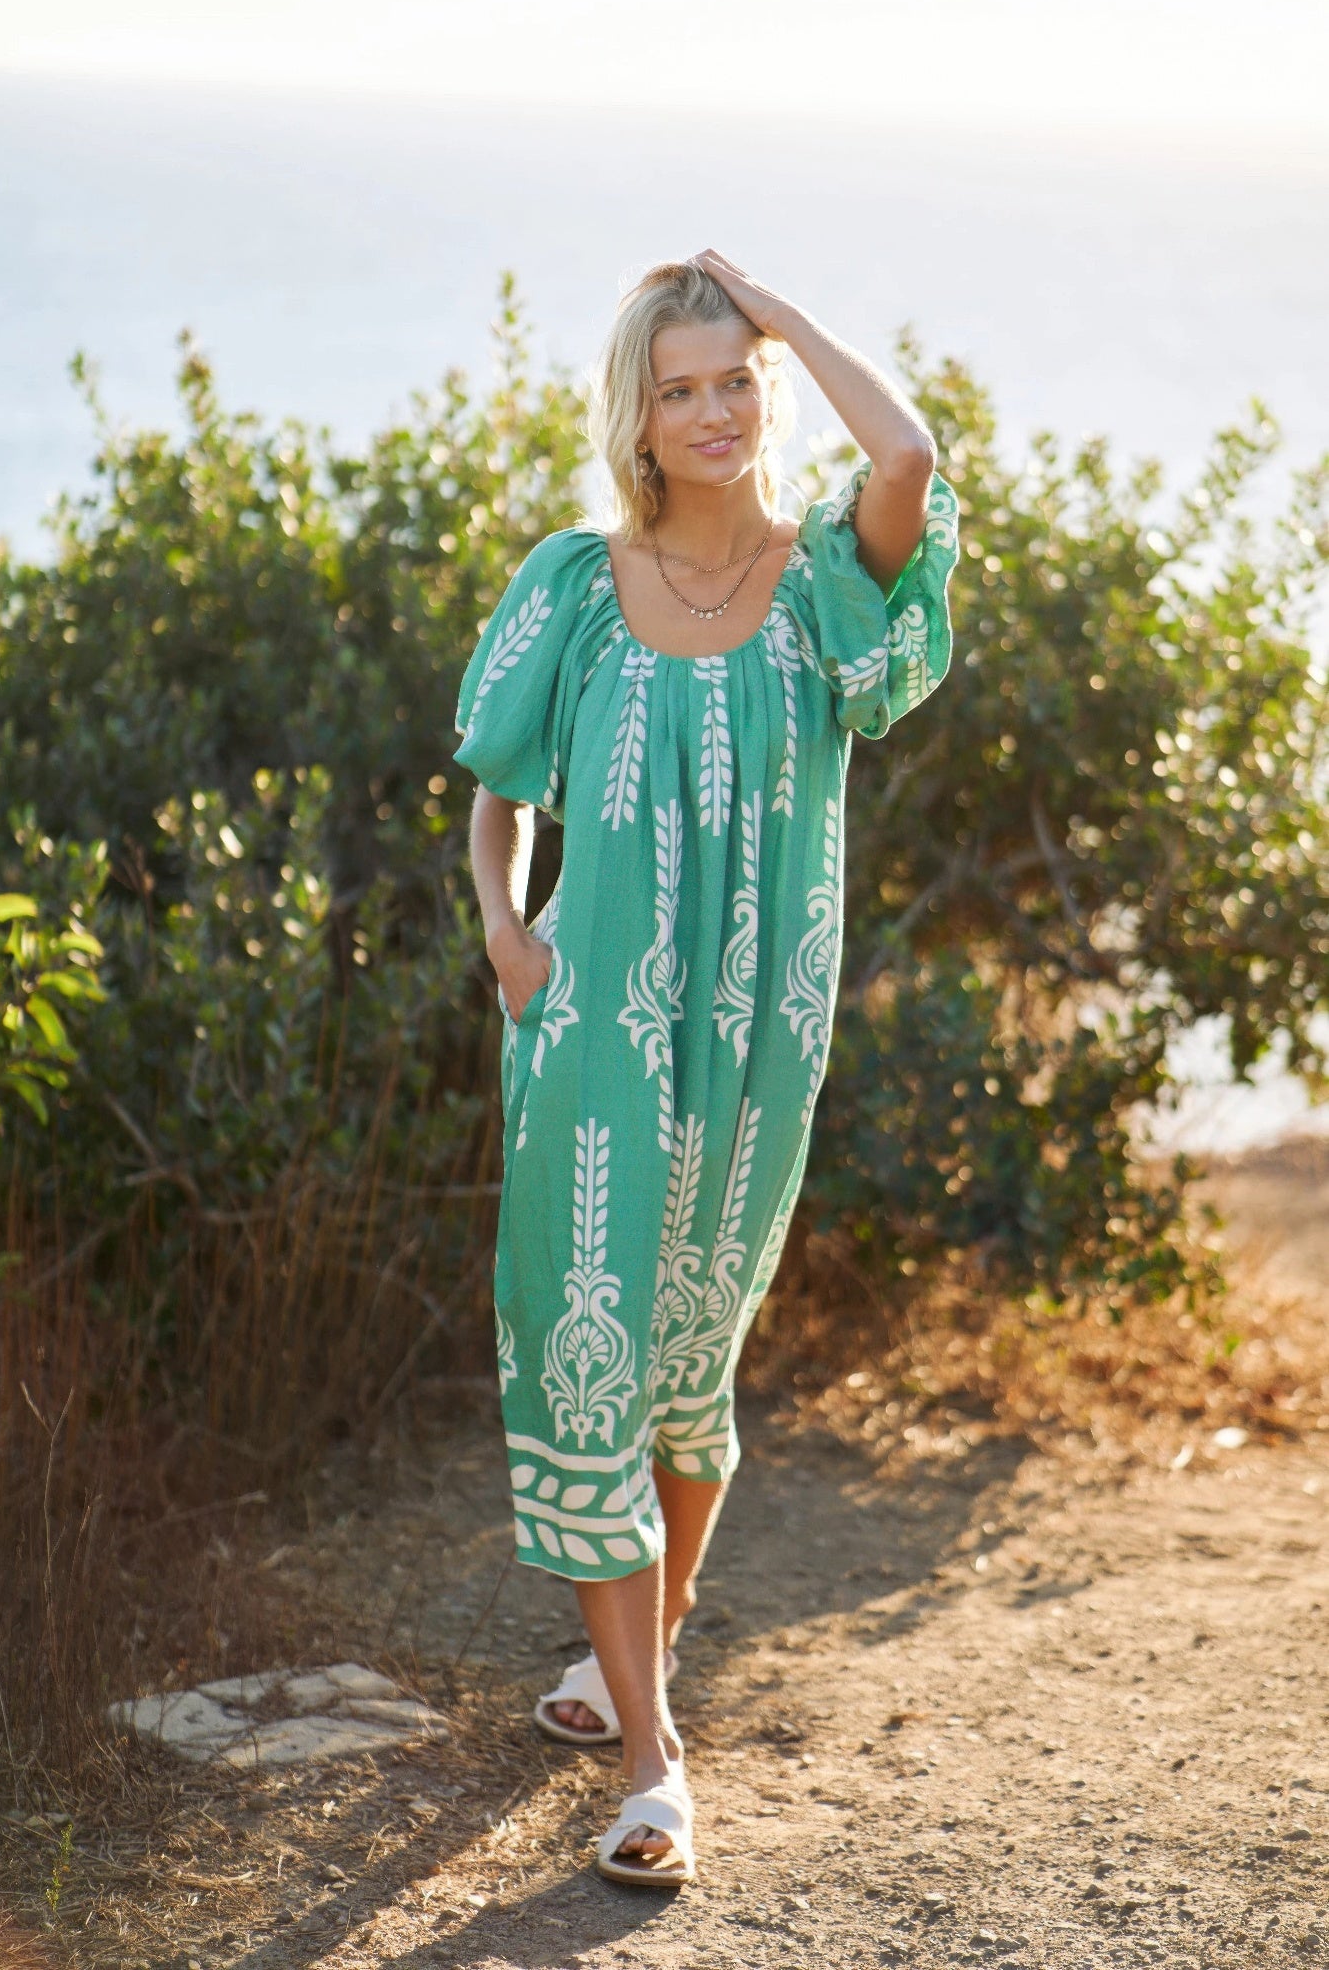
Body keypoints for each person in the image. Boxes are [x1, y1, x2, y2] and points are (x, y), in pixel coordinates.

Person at [455, 251, 959, 1886]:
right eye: (679, 388)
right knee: (590, 1343)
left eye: (734, 380)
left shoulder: (826, 586)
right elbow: (495, 784)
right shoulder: (575, 583)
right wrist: (505, 930)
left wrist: (786, 316)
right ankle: (656, 1763)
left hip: (755, 1043)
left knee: (688, 1369)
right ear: (640, 417)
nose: (714, 411)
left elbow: (907, 456)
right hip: (590, 1037)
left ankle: (633, 1661)